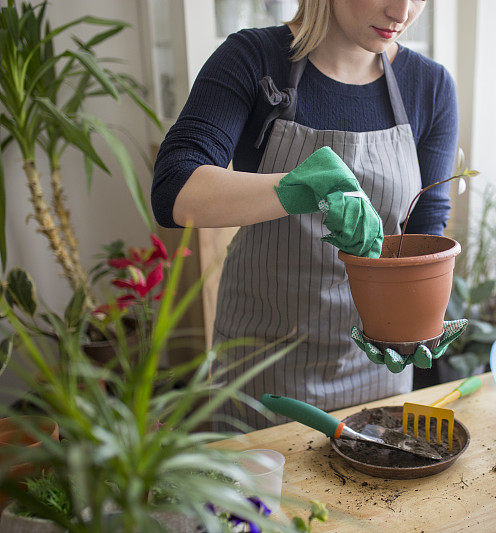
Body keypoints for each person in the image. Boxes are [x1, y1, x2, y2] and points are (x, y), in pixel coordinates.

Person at [152, 0, 459, 430]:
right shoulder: (254, 60)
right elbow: (174, 189)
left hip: (376, 373)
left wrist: (416, 325)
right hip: (261, 372)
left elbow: (426, 227)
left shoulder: (429, 86)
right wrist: (296, 188)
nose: (402, 11)